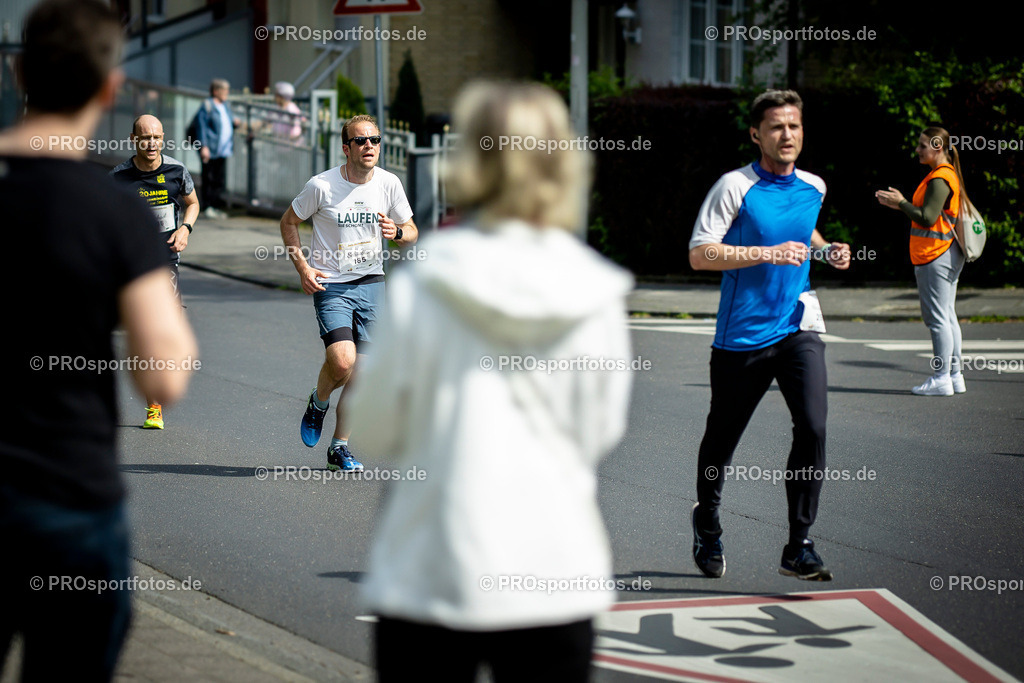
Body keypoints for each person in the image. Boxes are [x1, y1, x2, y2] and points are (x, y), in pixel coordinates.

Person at [347, 82, 634, 682]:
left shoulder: (426, 284)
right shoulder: (595, 294)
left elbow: (372, 430)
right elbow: (601, 430)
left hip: (431, 573)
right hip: (554, 572)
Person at [0, 0, 197, 679]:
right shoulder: (115, 212)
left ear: (19, 72)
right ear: (110, 90)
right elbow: (163, 378)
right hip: (68, 500)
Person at [688, 89, 851, 582]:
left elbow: (805, 233)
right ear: (756, 134)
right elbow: (700, 254)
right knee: (722, 440)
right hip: (743, 336)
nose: (787, 135)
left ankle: (799, 545)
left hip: (797, 326)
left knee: (814, 427)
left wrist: (823, 252)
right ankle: (708, 521)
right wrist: (765, 253)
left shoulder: (814, 187)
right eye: (777, 127)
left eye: (795, 126)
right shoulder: (733, 187)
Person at [280, 114, 417, 473]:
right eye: (361, 141)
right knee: (343, 361)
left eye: (374, 139)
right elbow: (289, 222)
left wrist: (398, 233)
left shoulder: (389, 184)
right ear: (346, 148)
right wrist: (303, 268)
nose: (369, 146)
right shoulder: (321, 187)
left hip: (372, 283)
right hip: (333, 285)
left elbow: (412, 229)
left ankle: (339, 448)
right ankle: (318, 402)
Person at [110, 114, 200, 429]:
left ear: (163, 139)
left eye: (157, 137)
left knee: (155, 330)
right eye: (145, 138)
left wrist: (185, 229)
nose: (151, 144)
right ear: (133, 139)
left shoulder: (176, 171)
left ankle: (154, 407)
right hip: (125, 264)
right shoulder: (118, 178)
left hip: (163, 260)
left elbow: (192, 203)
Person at [875, 127, 967, 396]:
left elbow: (927, 218)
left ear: (937, 147)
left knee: (937, 319)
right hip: (945, 252)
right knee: (947, 315)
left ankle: (941, 377)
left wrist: (902, 201)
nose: (917, 150)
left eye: (922, 145)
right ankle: (954, 375)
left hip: (935, 254)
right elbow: (927, 215)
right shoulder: (944, 174)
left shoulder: (940, 178)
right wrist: (900, 205)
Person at [194, 78, 239, 219]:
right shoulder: (207, 106)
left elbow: (228, 121)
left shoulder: (225, 105)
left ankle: (215, 206)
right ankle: (207, 207)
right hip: (210, 149)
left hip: (223, 150)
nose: (226, 93)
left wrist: (236, 123)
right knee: (209, 178)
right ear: (215, 91)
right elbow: (201, 127)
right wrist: (204, 147)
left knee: (219, 179)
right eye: (224, 90)